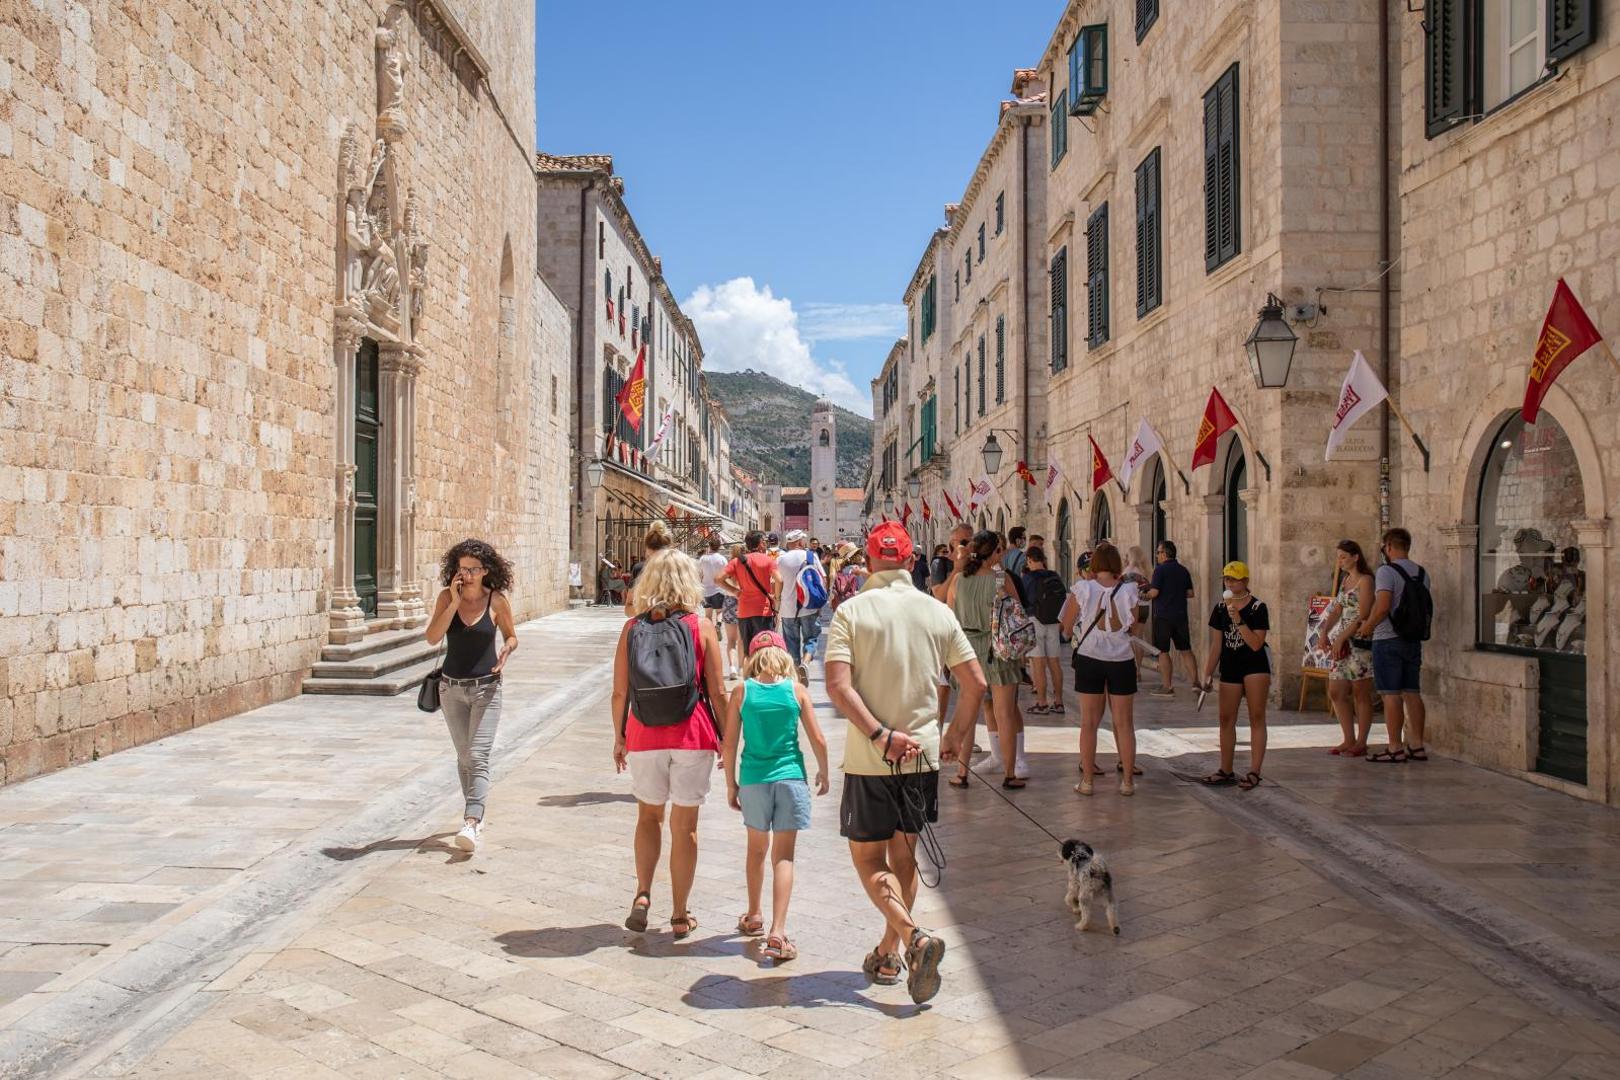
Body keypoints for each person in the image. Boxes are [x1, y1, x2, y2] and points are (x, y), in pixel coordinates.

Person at [824, 521, 987, 1004]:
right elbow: (975, 683)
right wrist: (954, 735)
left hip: (872, 759)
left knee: (870, 860)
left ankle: (914, 940)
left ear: (869, 562)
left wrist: (878, 735)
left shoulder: (851, 612)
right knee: (904, 856)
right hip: (923, 758)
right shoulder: (936, 611)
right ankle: (890, 954)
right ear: (911, 560)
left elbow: (837, 685)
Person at [612, 548, 726, 940]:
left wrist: (619, 735)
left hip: (644, 732)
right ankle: (679, 913)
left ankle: (642, 895)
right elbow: (718, 691)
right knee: (685, 826)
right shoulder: (701, 626)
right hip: (692, 733)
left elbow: (618, 692)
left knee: (648, 817)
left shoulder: (631, 629)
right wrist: (726, 738)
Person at [722, 631, 829, 962]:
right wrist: (824, 771)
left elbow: (729, 744)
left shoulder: (742, 692)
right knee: (784, 856)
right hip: (791, 779)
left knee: (756, 851)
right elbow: (818, 739)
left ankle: (754, 916)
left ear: (752, 658)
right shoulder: (796, 691)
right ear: (783, 657)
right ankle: (778, 933)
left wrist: (731, 784)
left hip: (754, 780)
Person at [425, 539, 519, 853]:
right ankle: (474, 816)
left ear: (486, 570)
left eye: (474, 569)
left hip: (487, 689)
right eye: (463, 568)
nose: (468, 574)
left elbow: (512, 635)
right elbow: (432, 638)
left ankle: (472, 821)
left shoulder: (496, 601)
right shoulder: (445, 598)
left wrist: (507, 648)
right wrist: (452, 600)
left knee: (478, 756)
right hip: (450, 689)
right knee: (464, 757)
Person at [947, 531, 1028, 787]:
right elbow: (1018, 613)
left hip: (967, 651)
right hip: (998, 649)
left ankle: (962, 774)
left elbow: (950, 616)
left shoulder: (958, 580)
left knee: (967, 715)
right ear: (993, 553)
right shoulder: (1000, 579)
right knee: (1005, 714)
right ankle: (1010, 774)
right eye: (999, 551)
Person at [1059, 542, 1139, 796]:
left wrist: (1077, 629)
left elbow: (1067, 627)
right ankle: (1127, 781)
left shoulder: (1082, 589)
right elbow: (1135, 629)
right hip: (1122, 659)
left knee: (1089, 723)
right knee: (1124, 723)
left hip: (1090, 657)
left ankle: (1088, 782)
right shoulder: (1129, 590)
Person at [1197, 561, 1271, 790]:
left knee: (1256, 717)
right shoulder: (1220, 609)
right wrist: (1207, 674)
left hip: (1254, 666)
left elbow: (1257, 644)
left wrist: (1238, 619)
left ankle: (1254, 771)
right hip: (1230, 666)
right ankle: (1225, 769)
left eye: (1235, 578)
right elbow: (1217, 645)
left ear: (1245, 581)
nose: (1230, 582)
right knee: (1225, 719)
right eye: (1227, 578)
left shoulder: (1259, 608)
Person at [1364, 527, 1430, 763]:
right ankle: (1417, 745)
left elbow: (1382, 607)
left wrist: (1367, 626)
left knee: (1390, 694)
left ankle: (1394, 747)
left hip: (1387, 639)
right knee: (1412, 692)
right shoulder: (1422, 573)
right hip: (1412, 639)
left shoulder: (1386, 572)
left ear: (1389, 546)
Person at [1319, 539, 1375, 758]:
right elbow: (1337, 609)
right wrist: (1324, 632)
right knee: (1336, 691)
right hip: (1342, 642)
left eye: (1343, 557)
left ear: (1355, 557)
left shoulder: (1366, 581)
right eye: (1338, 557)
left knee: (1361, 692)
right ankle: (1348, 738)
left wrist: (1342, 637)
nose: (1339, 561)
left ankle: (1361, 741)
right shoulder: (1345, 580)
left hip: (1359, 642)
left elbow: (1363, 614)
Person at [1145, 540, 1198, 696]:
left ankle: (1167, 686)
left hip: (1163, 616)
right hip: (1180, 615)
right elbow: (1190, 593)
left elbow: (1154, 593)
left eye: (1158, 552)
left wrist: (1144, 595)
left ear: (1165, 553)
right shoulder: (1183, 570)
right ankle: (1196, 683)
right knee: (1185, 650)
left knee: (1163, 651)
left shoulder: (1160, 571)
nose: (1157, 555)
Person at [1022, 547, 1067, 716]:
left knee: (1038, 663)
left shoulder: (1028, 578)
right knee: (1054, 663)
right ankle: (1059, 702)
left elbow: (1022, 600)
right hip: (1053, 621)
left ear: (1029, 560)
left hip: (1035, 621)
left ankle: (1042, 703)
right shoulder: (1054, 576)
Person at [719, 530, 782, 649]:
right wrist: (777, 597)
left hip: (744, 611)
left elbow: (718, 579)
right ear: (760, 543)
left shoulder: (737, 561)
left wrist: (734, 591)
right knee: (765, 649)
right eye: (764, 542)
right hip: (763, 611)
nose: (766, 544)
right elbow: (779, 580)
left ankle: (748, 667)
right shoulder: (768, 560)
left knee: (749, 650)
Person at [774, 530, 818, 685]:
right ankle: (805, 663)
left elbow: (777, 582)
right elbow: (822, 579)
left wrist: (777, 601)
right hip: (808, 606)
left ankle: (796, 680)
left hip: (788, 608)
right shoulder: (811, 556)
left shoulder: (780, 559)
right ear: (800, 542)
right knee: (811, 638)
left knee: (791, 643)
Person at [623, 524, 673, 617]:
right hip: (675, 628)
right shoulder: (679, 568)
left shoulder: (640, 568)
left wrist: (645, 608)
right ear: (670, 548)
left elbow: (628, 610)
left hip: (646, 626)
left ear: (647, 548)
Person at [1122, 546, 1156, 675]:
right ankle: (1139, 670)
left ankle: (1133, 669)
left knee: (1131, 639)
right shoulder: (1147, 572)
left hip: (1131, 608)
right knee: (1139, 638)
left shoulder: (1127, 572)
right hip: (1144, 607)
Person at [720, 544, 744, 679]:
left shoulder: (728, 566)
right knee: (741, 639)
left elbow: (719, 580)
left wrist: (732, 589)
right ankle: (741, 667)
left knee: (730, 640)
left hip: (729, 602)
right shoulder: (745, 566)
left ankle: (732, 667)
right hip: (742, 602)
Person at [697, 537, 729, 631]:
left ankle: (710, 632)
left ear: (709, 546)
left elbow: (700, 574)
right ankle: (718, 625)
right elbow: (726, 574)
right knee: (719, 612)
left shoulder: (703, 558)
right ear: (719, 547)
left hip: (706, 590)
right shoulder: (722, 559)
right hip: (719, 589)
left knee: (708, 615)